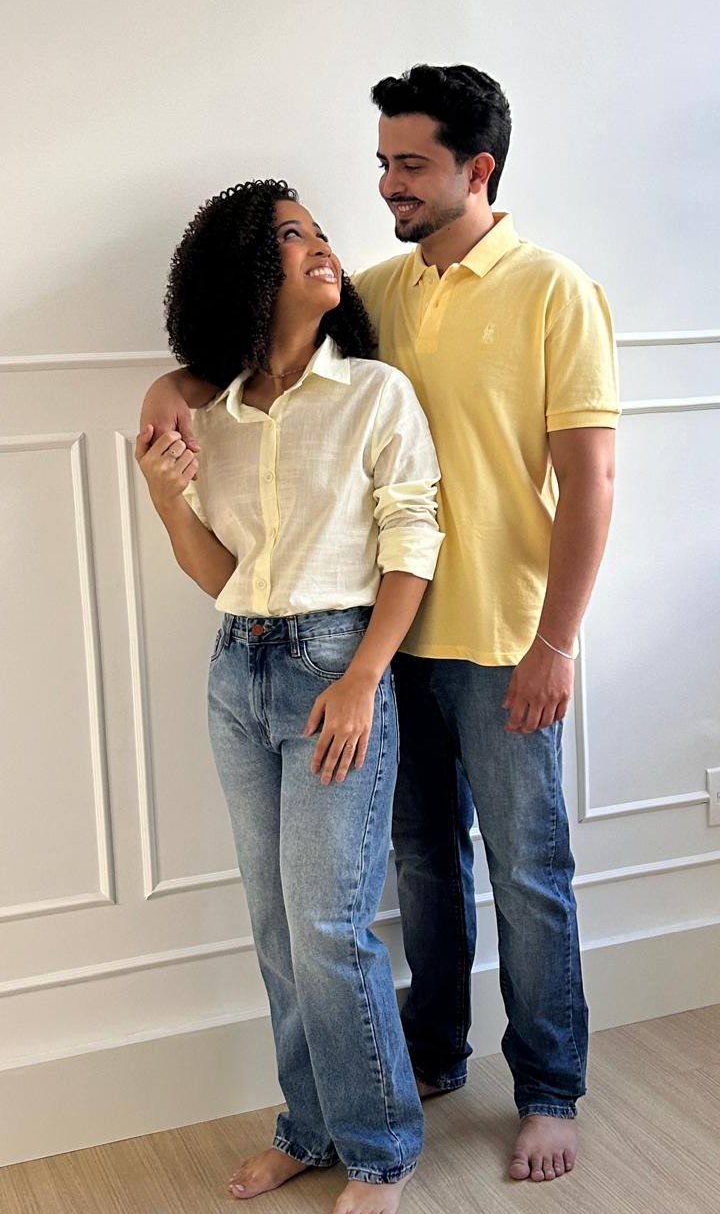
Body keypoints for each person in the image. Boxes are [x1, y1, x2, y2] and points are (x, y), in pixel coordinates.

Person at [140, 64, 620, 1186]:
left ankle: (549, 1089)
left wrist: (555, 642)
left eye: (411, 164)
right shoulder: (381, 290)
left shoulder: (554, 290)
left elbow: (591, 483)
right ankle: (434, 1055)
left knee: (528, 868)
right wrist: (167, 392)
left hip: (500, 636)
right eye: (383, 162)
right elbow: (253, 356)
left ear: (476, 168)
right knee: (421, 863)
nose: (387, 184)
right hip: (381, 644)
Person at [135, 178, 444, 1214]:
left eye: (317, 230)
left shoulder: (374, 392)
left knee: (328, 925)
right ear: (243, 273)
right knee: (276, 927)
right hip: (238, 668)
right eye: (288, 235)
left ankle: (381, 1149)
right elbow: (219, 573)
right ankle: (308, 1127)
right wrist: (167, 501)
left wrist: (364, 677)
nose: (319, 245)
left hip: (335, 664)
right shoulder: (213, 414)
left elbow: (413, 542)